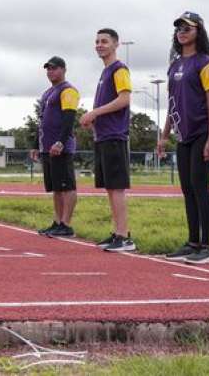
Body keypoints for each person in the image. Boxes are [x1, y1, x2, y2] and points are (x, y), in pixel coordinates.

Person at [157, 12, 209, 265]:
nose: (182, 31)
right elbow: (172, 103)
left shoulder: (206, 63)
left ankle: (207, 247)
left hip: (204, 131)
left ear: (199, 32)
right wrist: (163, 136)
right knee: (187, 189)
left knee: (200, 186)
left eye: (188, 28)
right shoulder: (174, 66)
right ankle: (193, 242)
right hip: (183, 135)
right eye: (179, 28)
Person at [80, 28, 135, 252]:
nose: (99, 45)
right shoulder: (105, 73)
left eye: (104, 41)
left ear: (115, 45)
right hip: (103, 135)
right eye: (97, 42)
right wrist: (95, 121)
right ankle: (117, 233)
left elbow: (124, 99)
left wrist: (95, 112)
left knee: (117, 187)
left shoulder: (119, 69)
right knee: (110, 188)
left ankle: (124, 236)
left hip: (115, 136)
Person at [31, 56, 80, 237]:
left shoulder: (68, 91)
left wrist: (60, 142)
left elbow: (68, 118)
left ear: (63, 70)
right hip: (46, 147)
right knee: (56, 188)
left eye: (54, 68)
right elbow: (42, 121)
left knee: (67, 187)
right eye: (48, 69)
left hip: (61, 148)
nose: (50, 72)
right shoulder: (47, 93)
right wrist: (36, 144)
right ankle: (58, 221)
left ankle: (67, 224)